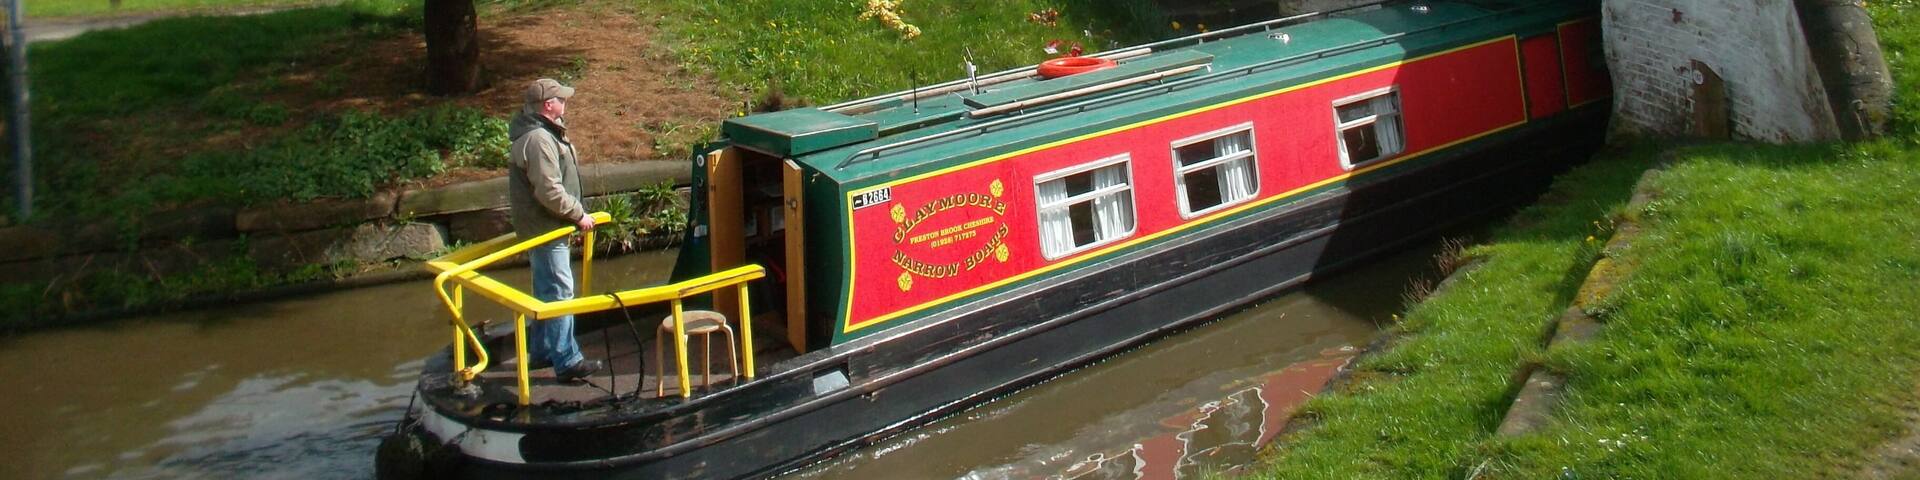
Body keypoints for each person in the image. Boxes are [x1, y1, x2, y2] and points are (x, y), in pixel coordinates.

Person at [508, 78, 602, 382]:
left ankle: (544, 351)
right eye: (561, 98)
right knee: (560, 291)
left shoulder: (541, 134)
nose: (566, 103)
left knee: (545, 291)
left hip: (543, 227)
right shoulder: (538, 140)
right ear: (549, 105)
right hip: (547, 229)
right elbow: (548, 190)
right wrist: (579, 214)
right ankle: (567, 360)